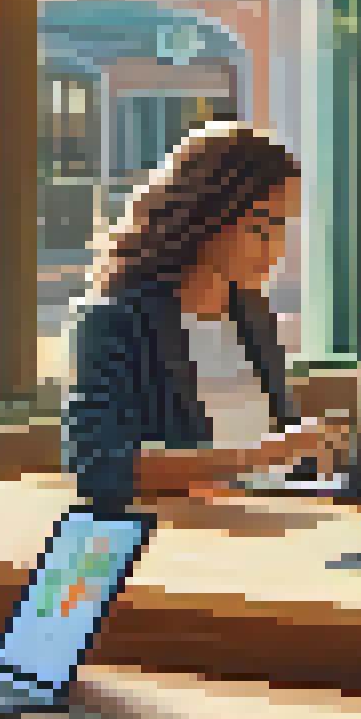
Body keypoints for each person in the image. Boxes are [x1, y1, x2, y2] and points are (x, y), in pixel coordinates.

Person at [64, 123, 341, 508]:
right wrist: (256, 456)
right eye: (262, 228)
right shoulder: (115, 321)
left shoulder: (254, 316)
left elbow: (280, 456)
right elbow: (101, 468)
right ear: (207, 218)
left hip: (276, 531)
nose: (276, 249)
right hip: (187, 543)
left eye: (284, 228)